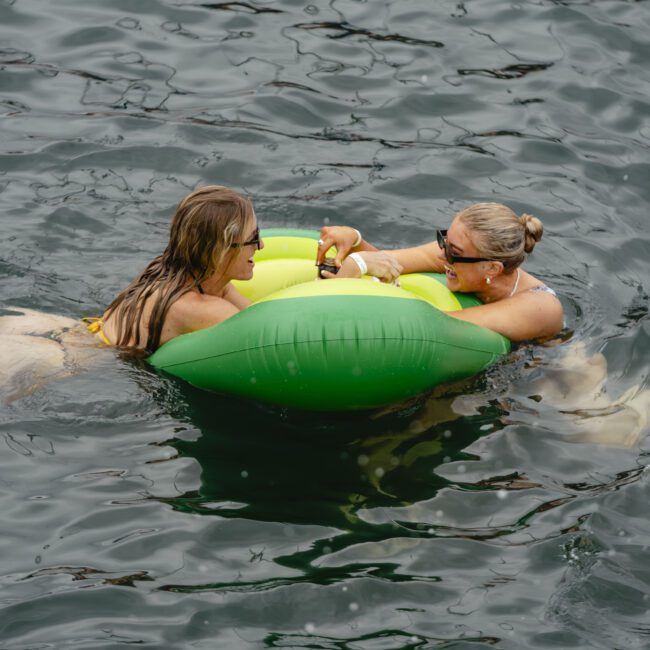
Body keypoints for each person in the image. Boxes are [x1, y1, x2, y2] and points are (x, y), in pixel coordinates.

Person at [316, 202, 564, 342]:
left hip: (551, 380)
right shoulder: (459, 256)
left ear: (492, 268)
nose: (443, 254)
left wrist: (358, 268)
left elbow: (431, 326)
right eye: (444, 241)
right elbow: (387, 261)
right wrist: (355, 240)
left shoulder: (537, 308)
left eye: (452, 250)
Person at [94, 185, 264, 354]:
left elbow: (258, 316)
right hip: (93, 359)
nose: (261, 245)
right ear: (220, 251)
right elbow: (264, 342)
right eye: (253, 238)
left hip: (89, 333)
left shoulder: (188, 274)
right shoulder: (197, 308)